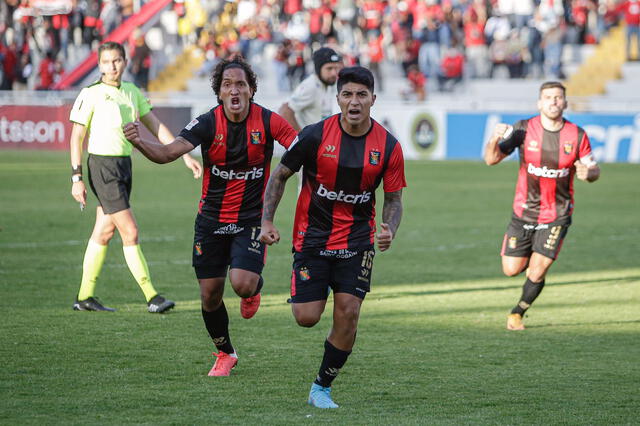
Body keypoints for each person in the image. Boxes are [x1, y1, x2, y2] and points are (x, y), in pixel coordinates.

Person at [122, 56, 298, 376]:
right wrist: (139, 140)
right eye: (227, 84)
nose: (234, 90)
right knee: (210, 294)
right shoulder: (207, 123)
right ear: (219, 92)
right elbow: (167, 153)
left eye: (241, 84)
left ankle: (254, 289)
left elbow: (299, 147)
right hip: (211, 220)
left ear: (251, 90)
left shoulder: (269, 121)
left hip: (250, 220)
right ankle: (225, 353)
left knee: (242, 284)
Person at [259, 66, 406, 408]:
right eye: (347, 94)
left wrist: (389, 229)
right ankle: (314, 285)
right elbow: (279, 176)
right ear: (337, 98)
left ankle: (321, 387)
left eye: (361, 95)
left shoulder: (388, 145)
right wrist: (267, 220)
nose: (354, 102)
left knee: (348, 312)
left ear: (373, 99)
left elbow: (394, 198)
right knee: (306, 317)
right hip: (313, 237)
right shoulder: (313, 136)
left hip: (356, 241)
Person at [69, 41, 203, 313]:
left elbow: (155, 126)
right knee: (130, 230)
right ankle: (152, 296)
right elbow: (76, 137)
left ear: (125, 61)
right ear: (99, 64)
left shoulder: (132, 92)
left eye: (117, 60)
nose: (112, 66)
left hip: (123, 166)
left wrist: (184, 155)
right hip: (102, 166)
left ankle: (84, 296)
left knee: (105, 231)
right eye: (106, 62)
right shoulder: (91, 93)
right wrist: (76, 178)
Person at [484, 81, 600, 331]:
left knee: (537, 271)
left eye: (558, 97)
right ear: (539, 102)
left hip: (557, 214)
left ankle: (517, 313)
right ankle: (533, 257)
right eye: (548, 97)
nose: (554, 101)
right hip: (523, 211)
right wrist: (494, 138)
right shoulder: (524, 129)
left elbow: (593, 169)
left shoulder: (577, 135)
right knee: (511, 269)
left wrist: (588, 173)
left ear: (565, 103)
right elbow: (491, 159)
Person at [278, 46, 344, 133]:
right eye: (329, 68)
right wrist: (300, 139)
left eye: (336, 68)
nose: (334, 73)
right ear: (318, 69)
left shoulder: (328, 83)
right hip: (310, 143)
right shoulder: (310, 86)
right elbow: (285, 111)